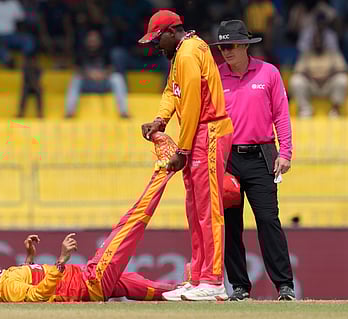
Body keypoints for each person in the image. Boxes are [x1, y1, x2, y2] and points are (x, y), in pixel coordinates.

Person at [0, 132, 180, 302]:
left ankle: (190, 292)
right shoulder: (4, 288)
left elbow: (27, 291)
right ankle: (164, 168)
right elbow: (36, 298)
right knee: (129, 225)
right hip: (89, 281)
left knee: (144, 288)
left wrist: (29, 258)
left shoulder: (2, 287)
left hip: (85, 279)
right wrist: (61, 261)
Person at [139, 10, 233, 301]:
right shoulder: (181, 52)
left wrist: (182, 149)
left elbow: (191, 105)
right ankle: (199, 278)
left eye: (158, 40)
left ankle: (214, 281)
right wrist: (160, 120)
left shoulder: (189, 54)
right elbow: (172, 91)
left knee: (208, 209)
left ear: (171, 31)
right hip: (200, 134)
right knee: (195, 209)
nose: (156, 47)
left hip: (209, 132)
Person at [210, 19, 295, 301]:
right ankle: (239, 286)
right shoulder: (215, 76)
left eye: (232, 45)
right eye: (222, 47)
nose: (226, 51)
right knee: (231, 225)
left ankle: (284, 285)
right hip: (227, 158)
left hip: (262, 155)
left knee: (268, 220)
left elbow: (281, 113)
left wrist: (286, 152)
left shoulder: (268, 73)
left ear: (246, 45)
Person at [65, 29, 129, 119]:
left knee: (117, 78)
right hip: (87, 84)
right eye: (90, 40)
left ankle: (123, 112)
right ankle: (69, 112)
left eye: (95, 40)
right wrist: (89, 74)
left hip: (103, 82)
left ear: (99, 41)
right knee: (76, 79)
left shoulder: (105, 51)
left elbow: (112, 68)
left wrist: (103, 74)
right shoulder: (81, 52)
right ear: (86, 40)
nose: (92, 42)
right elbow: (76, 69)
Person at [290, 28, 348, 117]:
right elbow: (298, 71)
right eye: (315, 41)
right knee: (296, 80)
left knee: (342, 79)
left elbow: (342, 69)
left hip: (328, 84)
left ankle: (335, 110)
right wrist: (311, 77)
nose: (318, 43)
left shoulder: (333, 53)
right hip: (312, 85)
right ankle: (305, 109)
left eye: (320, 41)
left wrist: (327, 76)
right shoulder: (306, 54)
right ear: (312, 42)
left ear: (324, 42)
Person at [0, 0, 35, 68]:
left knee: (28, 39)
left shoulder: (14, 3)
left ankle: (27, 62)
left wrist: (21, 35)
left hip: (12, 35)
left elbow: (20, 23)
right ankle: (9, 62)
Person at [18, 53, 43, 118]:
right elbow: (25, 77)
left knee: (39, 92)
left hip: (35, 84)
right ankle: (21, 112)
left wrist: (34, 83)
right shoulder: (25, 66)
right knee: (24, 92)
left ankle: (40, 112)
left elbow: (39, 75)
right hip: (29, 85)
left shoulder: (37, 66)